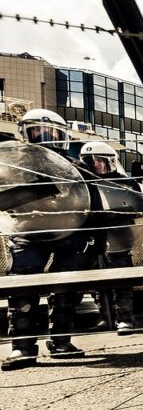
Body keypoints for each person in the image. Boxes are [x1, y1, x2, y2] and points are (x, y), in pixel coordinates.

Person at [3, 109, 95, 370]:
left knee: (66, 289)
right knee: (22, 289)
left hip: (71, 232)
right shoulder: (13, 164)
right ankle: (22, 348)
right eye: (36, 131)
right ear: (25, 134)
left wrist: (95, 238)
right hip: (27, 230)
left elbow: (92, 202)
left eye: (51, 132)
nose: (44, 137)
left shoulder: (75, 165)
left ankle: (61, 343)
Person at [80, 141, 140, 335]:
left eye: (99, 160)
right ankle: (106, 317)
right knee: (97, 281)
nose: (95, 165)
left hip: (119, 236)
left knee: (121, 279)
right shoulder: (84, 185)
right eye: (89, 161)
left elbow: (139, 208)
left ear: (110, 161)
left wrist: (113, 214)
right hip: (93, 237)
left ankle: (125, 319)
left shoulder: (125, 183)